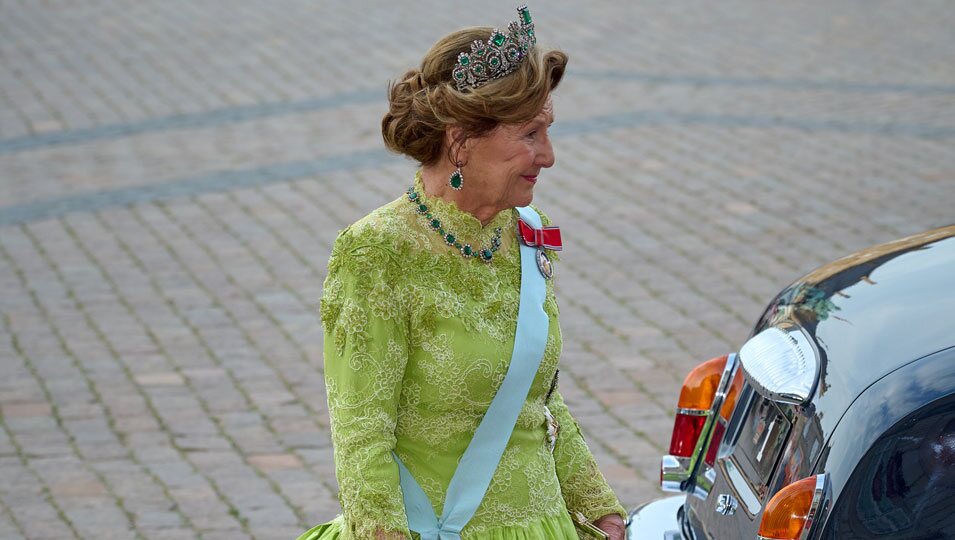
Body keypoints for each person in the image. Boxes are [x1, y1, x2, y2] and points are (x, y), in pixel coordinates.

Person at [298, 5, 627, 540]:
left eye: (548, 131)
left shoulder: (526, 232)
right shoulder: (377, 252)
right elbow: (361, 432)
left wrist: (599, 509)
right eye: (529, 134)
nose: (548, 155)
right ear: (461, 141)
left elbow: (535, 396)